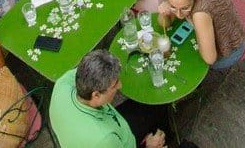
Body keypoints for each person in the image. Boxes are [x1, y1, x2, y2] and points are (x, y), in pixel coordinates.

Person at [50, 51, 196, 148]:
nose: (120, 85)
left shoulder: (63, 84)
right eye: (114, 85)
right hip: (121, 141)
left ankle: (166, 133)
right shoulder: (103, 139)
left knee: (155, 104)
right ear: (96, 95)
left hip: (116, 126)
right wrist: (147, 146)